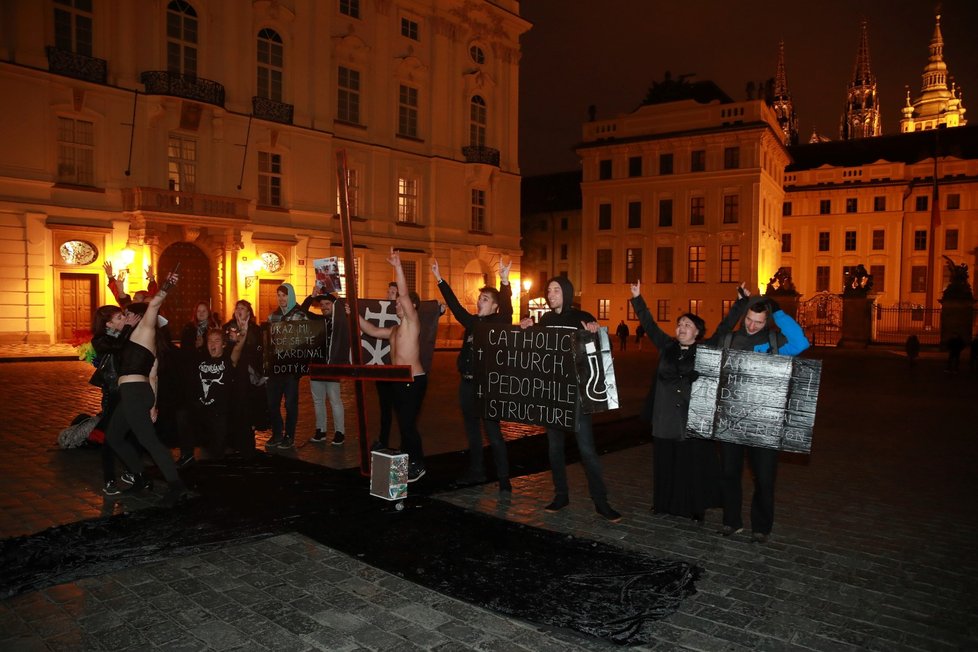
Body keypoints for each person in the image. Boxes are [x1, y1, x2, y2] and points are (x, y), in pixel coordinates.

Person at [630, 280, 743, 522]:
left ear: (697, 332)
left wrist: (741, 302)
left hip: (690, 418)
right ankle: (662, 504)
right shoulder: (667, 346)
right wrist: (638, 299)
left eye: (687, 325)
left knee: (689, 465)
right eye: (680, 324)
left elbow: (724, 328)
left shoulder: (705, 350)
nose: (682, 327)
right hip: (664, 417)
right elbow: (649, 325)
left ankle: (692, 506)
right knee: (664, 463)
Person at [519, 277, 622, 522]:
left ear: (566, 292)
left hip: (576, 396)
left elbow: (599, 352)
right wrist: (525, 330)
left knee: (586, 450)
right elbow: (535, 351)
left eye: (556, 290)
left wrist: (596, 333)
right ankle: (561, 495)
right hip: (553, 395)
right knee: (555, 449)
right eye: (549, 290)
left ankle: (601, 502)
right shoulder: (544, 320)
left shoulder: (582, 317)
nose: (551, 294)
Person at [718, 291, 810, 543]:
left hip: (764, 422)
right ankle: (731, 521)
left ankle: (761, 526)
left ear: (766, 321)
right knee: (729, 473)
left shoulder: (774, 342)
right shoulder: (730, 339)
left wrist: (778, 312)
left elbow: (801, 343)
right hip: (731, 419)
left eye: (758, 321)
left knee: (765, 477)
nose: (752, 325)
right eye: (749, 319)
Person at [104, 271, 188, 505]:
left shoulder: (145, 331)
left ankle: (176, 485)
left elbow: (154, 305)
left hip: (133, 393)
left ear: (140, 317)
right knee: (114, 436)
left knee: (149, 441)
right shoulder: (137, 336)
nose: (125, 316)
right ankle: (141, 478)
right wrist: (153, 405)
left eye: (129, 314)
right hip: (136, 394)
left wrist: (168, 283)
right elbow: (153, 376)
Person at [433, 256, 513, 491]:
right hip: (466, 385)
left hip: (486, 386)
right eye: (480, 298)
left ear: (494, 306)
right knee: (472, 432)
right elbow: (456, 307)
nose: (480, 301)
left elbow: (507, 307)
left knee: (492, 432)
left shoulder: (499, 322)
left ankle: (504, 478)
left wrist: (505, 282)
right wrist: (440, 280)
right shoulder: (472, 322)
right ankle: (477, 472)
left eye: (485, 299)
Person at [357, 249, 428, 481]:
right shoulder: (395, 329)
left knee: (407, 424)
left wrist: (397, 267)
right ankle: (408, 462)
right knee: (403, 424)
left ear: (411, 308)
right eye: (396, 304)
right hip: (399, 380)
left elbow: (405, 295)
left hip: (413, 380)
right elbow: (372, 330)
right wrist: (353, 315)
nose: (396, 305)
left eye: (400, 304)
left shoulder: (412, 322)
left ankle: (418, 464)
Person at [90, 304, 141, 495]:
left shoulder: (126, 333)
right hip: (113, 394)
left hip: (129, 390)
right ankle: (109, 480)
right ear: (108, 323)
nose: (124, 320)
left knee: (133, 433)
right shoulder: (100, 340)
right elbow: (117, 347)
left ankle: (131, 471)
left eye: (123, 316)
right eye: (119, 318)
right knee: (111, 437)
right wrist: (128, 327)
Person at [176, 328, 247, 465]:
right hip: (201, 408)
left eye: (217, 341)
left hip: (219, 412)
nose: (212, 344)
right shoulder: (201, 360)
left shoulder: (228, 360)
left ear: (223, 344)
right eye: (210, 341)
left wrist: (242, 334)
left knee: (216, 455)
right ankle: (187, 455)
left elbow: (238, 349)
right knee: (182, 414)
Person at [301, 292, 351, 446]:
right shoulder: (318, 320)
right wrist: (311, 296)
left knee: (335, 400)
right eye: (322, 305)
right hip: (316, 366)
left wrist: (336, 299)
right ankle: (320, 431)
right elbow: (302, 311)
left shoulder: (340, 322)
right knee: (318, 401)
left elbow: (345, 316)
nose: (324, 307)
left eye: (327, 304)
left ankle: (339, 432)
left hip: (332, 367)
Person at [264, 283, 309, 450]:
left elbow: (305, 341)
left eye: (285, 295)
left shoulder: (300, 315)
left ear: (291, 296)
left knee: (290, 404)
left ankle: (289, 435)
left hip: (291, 370)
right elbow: (268, 342)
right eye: (279, 295)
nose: (282, 299)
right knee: (272, 403)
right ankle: (277, 433)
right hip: (276, 368)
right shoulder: (272, 317)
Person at [223, 300, 266, 454]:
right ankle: (232, 440)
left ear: (249, 312)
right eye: (238, 308)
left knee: (248, 406)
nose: (240, 310)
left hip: (249, 373)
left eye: (243, 308)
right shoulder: (229, 327)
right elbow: (228, 347)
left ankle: (248, 441)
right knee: (233, 405)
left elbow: (259, 349)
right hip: (234, 372)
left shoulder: (255, 329)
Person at [372, 281, 400, 451]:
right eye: (388, 291)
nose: (389, 295)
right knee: (385, 408)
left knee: (402, 410)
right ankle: (383, 440)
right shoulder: (379, 312)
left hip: (397, 369)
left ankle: (406, 443)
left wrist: (438, 310)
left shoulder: (403, 314)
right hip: (382, 368)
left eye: (393, 292)